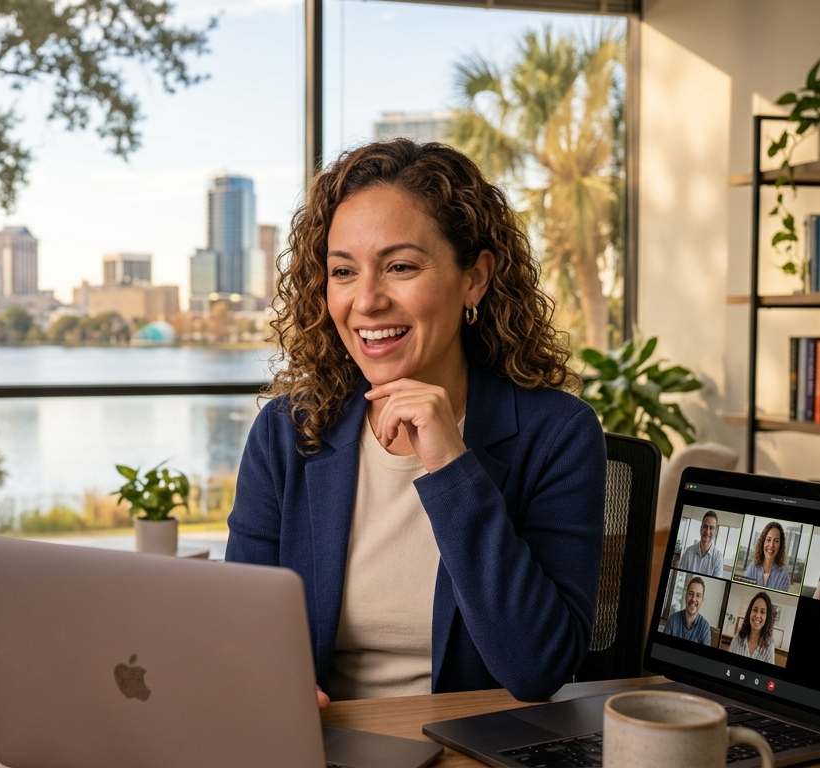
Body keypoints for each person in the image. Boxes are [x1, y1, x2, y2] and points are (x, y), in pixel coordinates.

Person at [225, 140, 605, 705]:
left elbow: (537, 668)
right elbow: (237, 633)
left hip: (466, 751)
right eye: (343, 272)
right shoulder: (288, 432)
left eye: (400, 266)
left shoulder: (558, 433)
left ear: (474, 278)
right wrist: (268, 688)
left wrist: (453, 469)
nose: (367, 300)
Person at [728, 591, 777, 664]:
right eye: (755, 610)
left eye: (762, 612)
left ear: (767, 617)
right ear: (749, 613)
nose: (757, 615)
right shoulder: (737, 638)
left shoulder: (769, 646)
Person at [741, 522, 790, 592]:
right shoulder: (752, 568)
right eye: (768, 540)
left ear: (780, 546)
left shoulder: (783, 575)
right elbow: (744, 591)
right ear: (763, 542)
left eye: (776, 541)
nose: (771, 545)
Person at [662, 577, 711, 645]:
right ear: (686, 596)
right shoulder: (672, 620)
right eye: (691, 594)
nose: (693, 599)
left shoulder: (705, 627)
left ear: (702, 600)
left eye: (698, 595)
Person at [678, 511, 724, 578]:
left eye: (711, 528)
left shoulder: (718, 558)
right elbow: (680, 576)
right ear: (700, 528)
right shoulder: (688, 552)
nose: (707, 531)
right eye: (705, 526)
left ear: (716, 531)